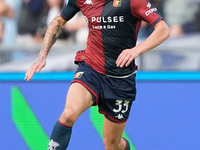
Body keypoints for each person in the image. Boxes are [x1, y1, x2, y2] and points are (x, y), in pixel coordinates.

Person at [25, 0, 170, 149]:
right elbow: (59, 21)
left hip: (121, 79)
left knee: (112, 144)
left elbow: (163, 29)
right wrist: (42, 55)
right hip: (91, 69)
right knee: (69, 114)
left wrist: (136, 50)